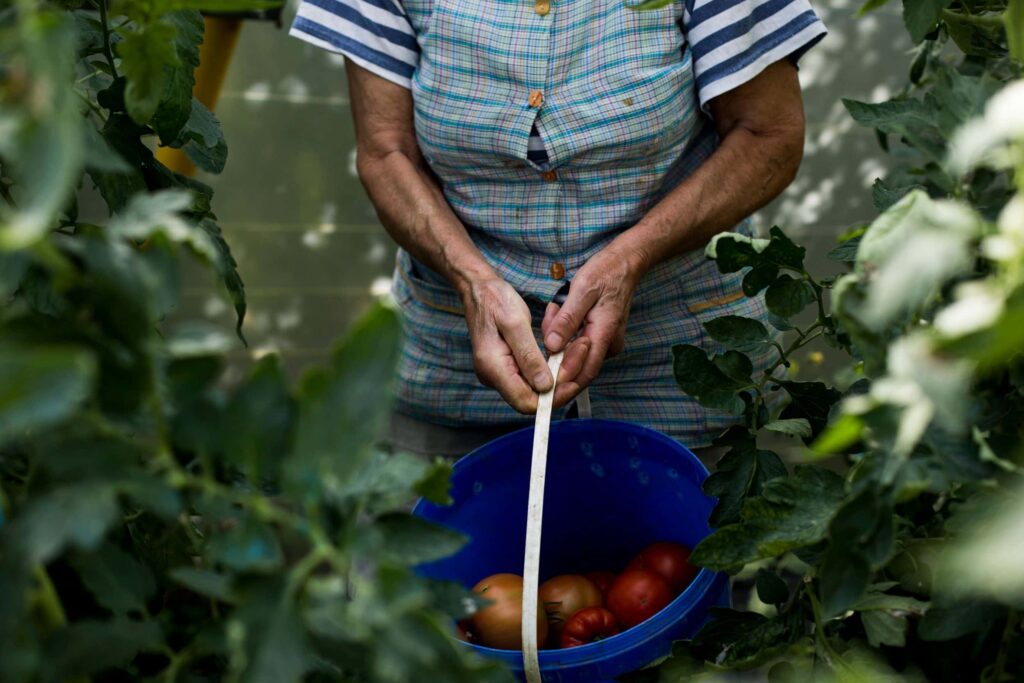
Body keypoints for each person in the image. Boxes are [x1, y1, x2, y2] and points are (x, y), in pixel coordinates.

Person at [290, 0, 826, 457]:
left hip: (683, 372)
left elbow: (768, 134)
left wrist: (629, 260)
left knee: (681, 569)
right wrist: (474, 282)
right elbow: (387, 151)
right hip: (451, 374)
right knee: (432, 568)